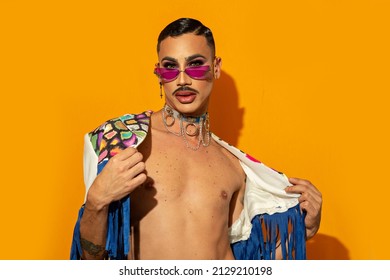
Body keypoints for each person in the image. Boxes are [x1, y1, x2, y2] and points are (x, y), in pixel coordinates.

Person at [71, 17, 322, 260]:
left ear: (215, 67)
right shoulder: (122, 142)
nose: (182, 80)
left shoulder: (234, 165)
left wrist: (303, 230)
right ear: (158, 74)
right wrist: (95, 203)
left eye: (196, 65)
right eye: (170, 67)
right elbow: (91, 260)